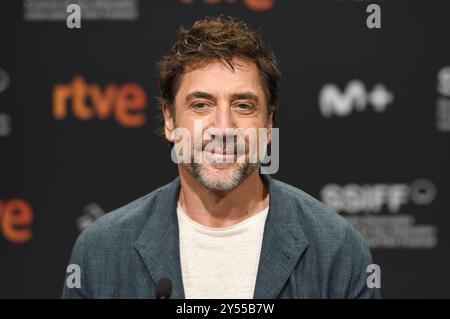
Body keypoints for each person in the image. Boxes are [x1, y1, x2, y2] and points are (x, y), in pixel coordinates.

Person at [62, 16, 380, 299]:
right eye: (201, 105)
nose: (223, 128)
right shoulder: (101, 252)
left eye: (243, 106)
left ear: (269, 124)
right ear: (170, 120)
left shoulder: (337, 250)